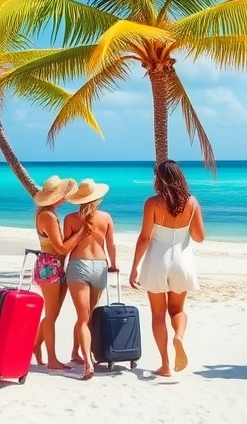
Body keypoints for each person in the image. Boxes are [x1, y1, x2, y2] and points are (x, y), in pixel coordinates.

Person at [129, 159, 206, 376]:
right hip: (182, 261)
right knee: (178, 310)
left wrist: (134, 267)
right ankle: (178, 337)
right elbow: (199, 237)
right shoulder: (192, 202)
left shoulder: (152, 203)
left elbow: (144, 238)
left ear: (159, 180)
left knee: (158, 314)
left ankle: (164, 364)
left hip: (156, 261)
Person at [30, 175, 86, 370]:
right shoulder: (48, 216)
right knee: (51, 315)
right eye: (62, 195)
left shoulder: (47, 214)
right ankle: (52, 359)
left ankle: (35, 346)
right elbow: (61, 248)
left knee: (52, 313)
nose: (64, 198)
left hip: (52, 265)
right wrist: (80, 234)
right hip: (50, 265)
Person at [63, 178, 117, 380]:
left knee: (82, 318)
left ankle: (86, 361)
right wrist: (113, 264)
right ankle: (76, 353)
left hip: (79, 265)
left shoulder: (70, 219)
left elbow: (66, 247)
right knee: (88, 316)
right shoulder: (106, 218)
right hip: (100, 266)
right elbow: (111, 245)